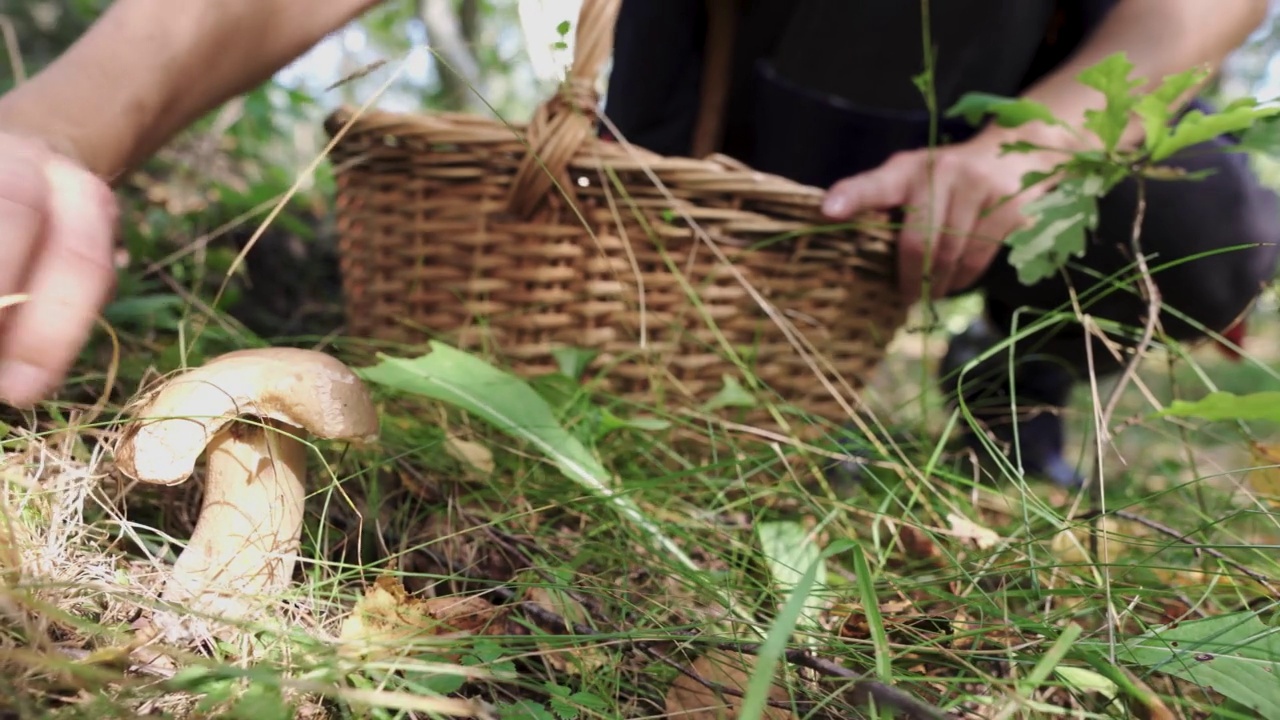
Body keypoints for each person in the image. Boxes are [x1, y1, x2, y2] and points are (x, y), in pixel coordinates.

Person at [0, 0, 1274, 488]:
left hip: (1010, 77)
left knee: (1206, 221)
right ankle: (690, 386)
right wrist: (57, 129)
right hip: (721, 76)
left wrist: (1035, 141)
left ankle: (1018, 386)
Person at [606, 0, 1279, 486]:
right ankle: (785, 375)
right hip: (756, 69)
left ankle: (1013, 375)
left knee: (1207, 238)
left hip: (1055, 70)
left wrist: (1041, 144)